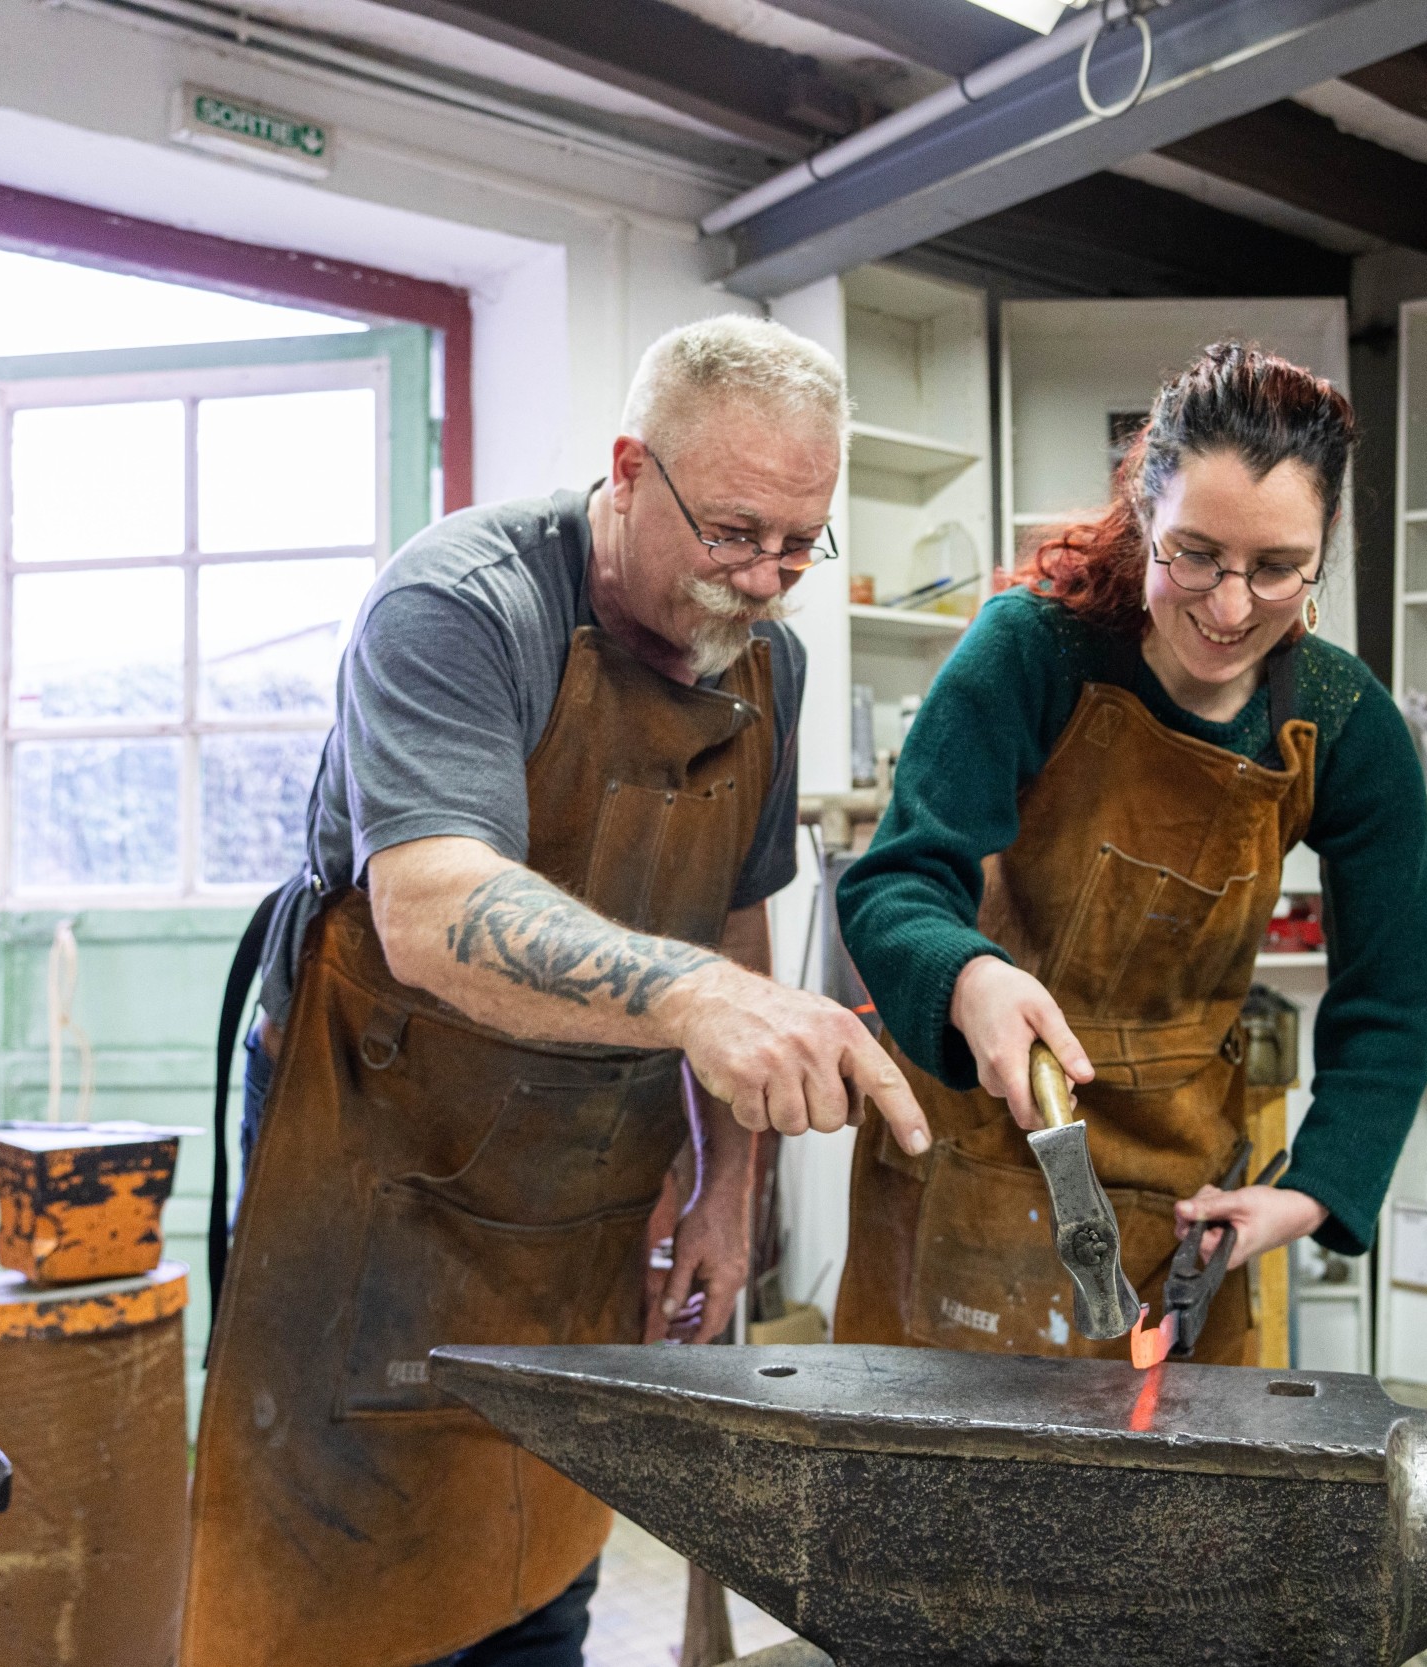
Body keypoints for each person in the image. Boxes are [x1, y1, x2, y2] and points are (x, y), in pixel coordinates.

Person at [182, 316, 928, 1667]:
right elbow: (435, 907)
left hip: (581, 1181)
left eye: (799, 544)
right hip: (380, 1160)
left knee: (543, 1530)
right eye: (734, 531)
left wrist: (729, 1184)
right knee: (331, 1575)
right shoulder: (465, 604)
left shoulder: (772, 660)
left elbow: (739, 919)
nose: (764, 579)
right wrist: (695, 1000)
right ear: (631, 468)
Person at [833, 341, 1427, 1364]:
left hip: (1183, 1195)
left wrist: (1308, 1190)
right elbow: (898, 879)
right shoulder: (1033, 649)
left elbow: (1394, 989)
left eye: (1278, 566)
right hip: (975, 1157)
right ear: (1140, 510)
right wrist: (968, 976)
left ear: (1324, 543)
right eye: (1193, 553)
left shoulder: (1341, 720)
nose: (1231, 606)